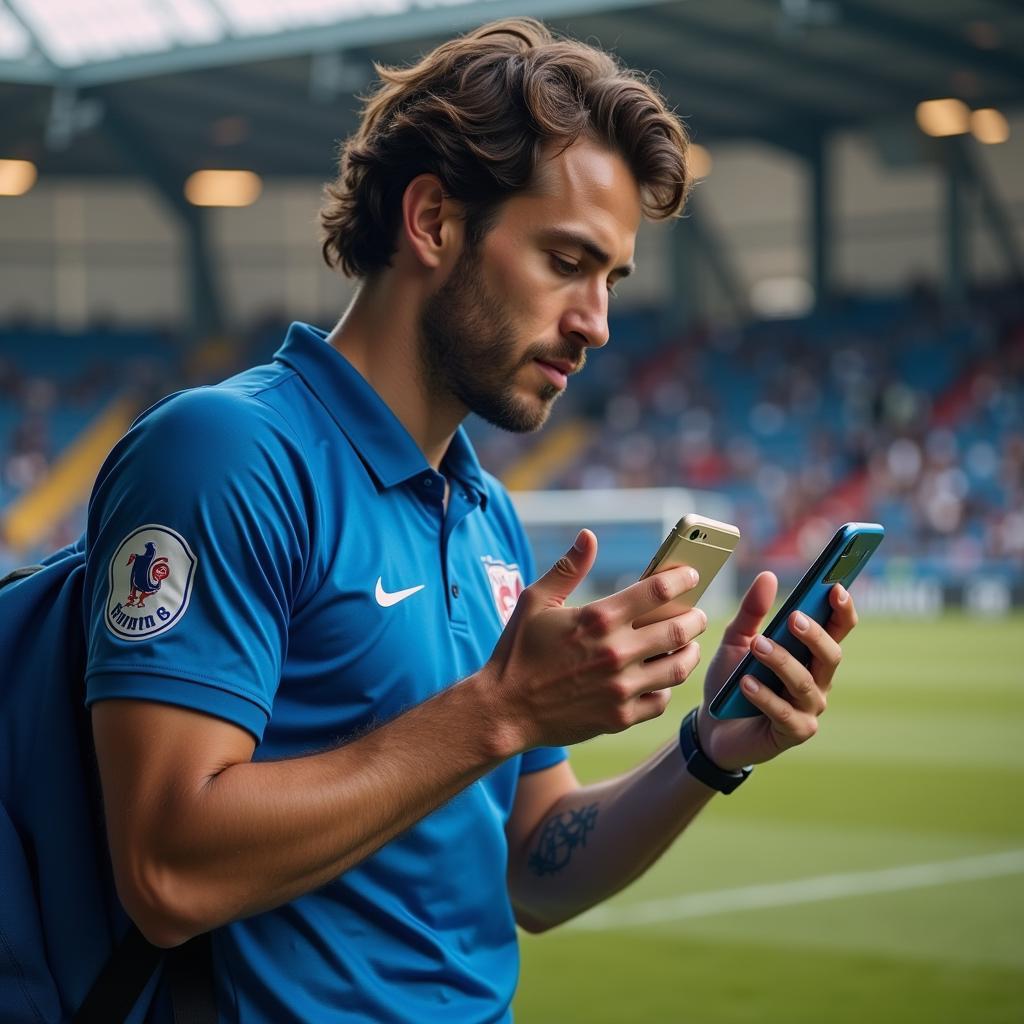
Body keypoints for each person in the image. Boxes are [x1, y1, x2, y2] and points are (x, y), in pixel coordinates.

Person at [84, 17, 858, 1022]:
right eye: (565, 261)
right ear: (434, 221)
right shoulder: (227, 454)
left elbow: (533, 865)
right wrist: (500, 710)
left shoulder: (482, 508)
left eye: (610, 278)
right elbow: (166, 872)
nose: (597, 322)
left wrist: (707, 750)